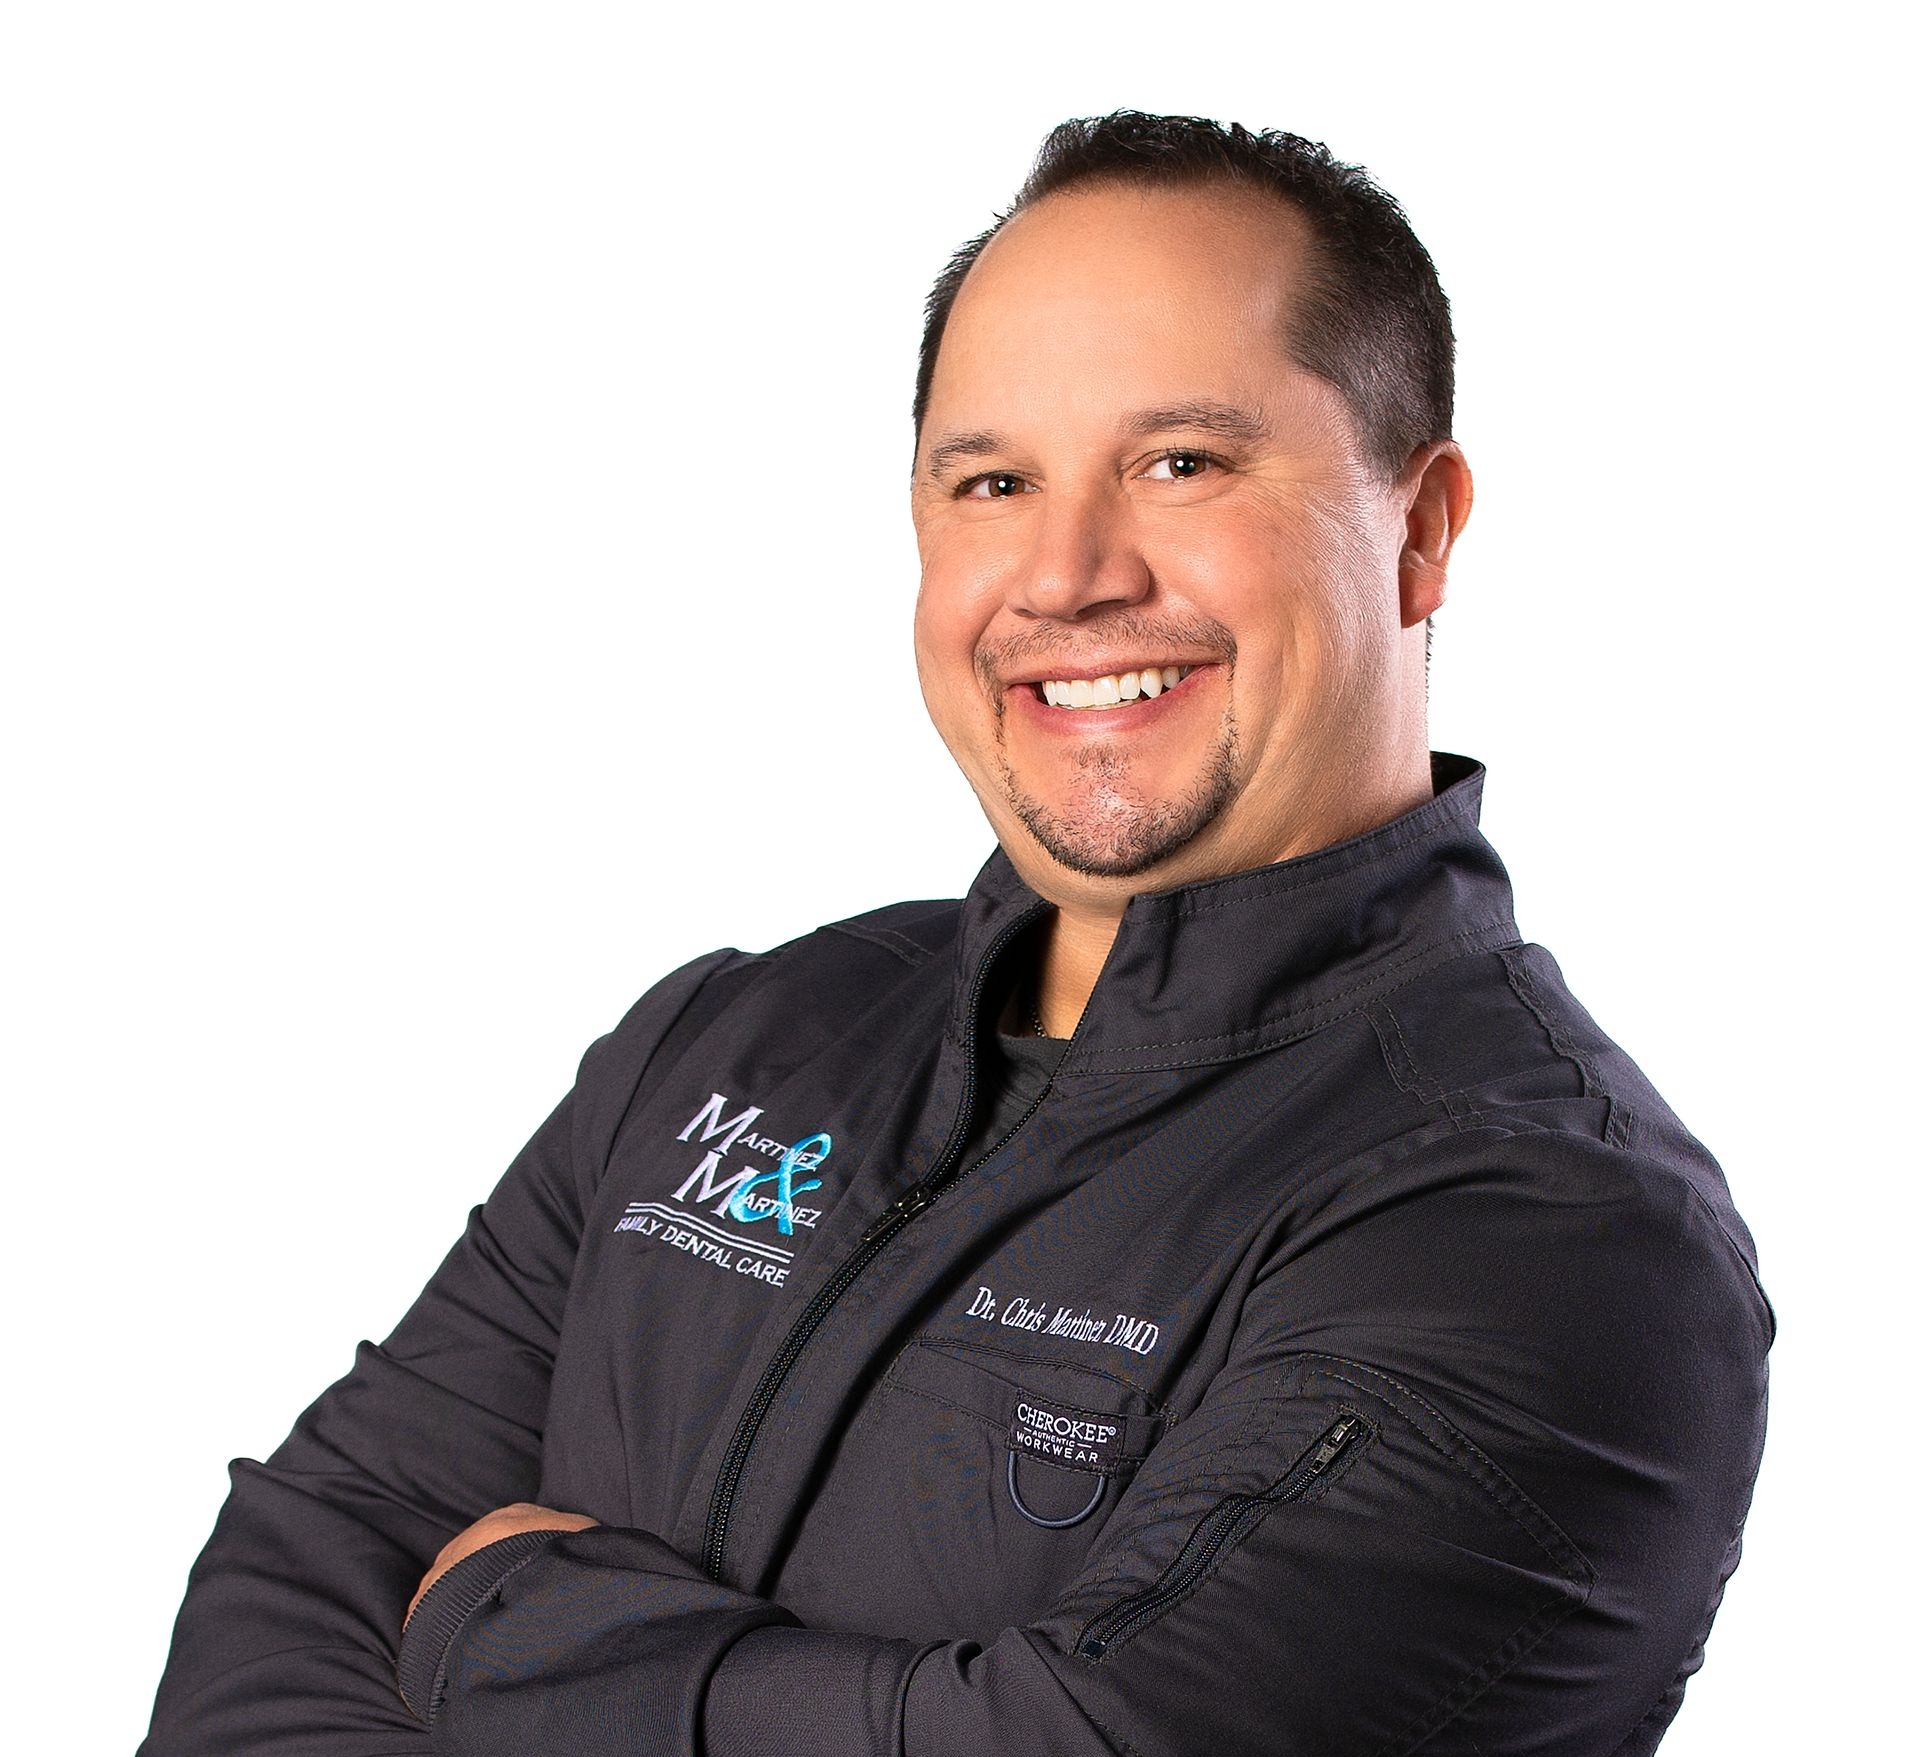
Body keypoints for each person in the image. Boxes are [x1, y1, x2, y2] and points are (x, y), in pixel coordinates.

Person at [140, 111, 1775, 1757]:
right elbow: (300, 1577)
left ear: (1419, 532)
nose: (1064, 574)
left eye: (1181, 463)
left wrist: (505, 1631)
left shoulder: (1544, 1229)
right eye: (993, 481)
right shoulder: (734, 1040)